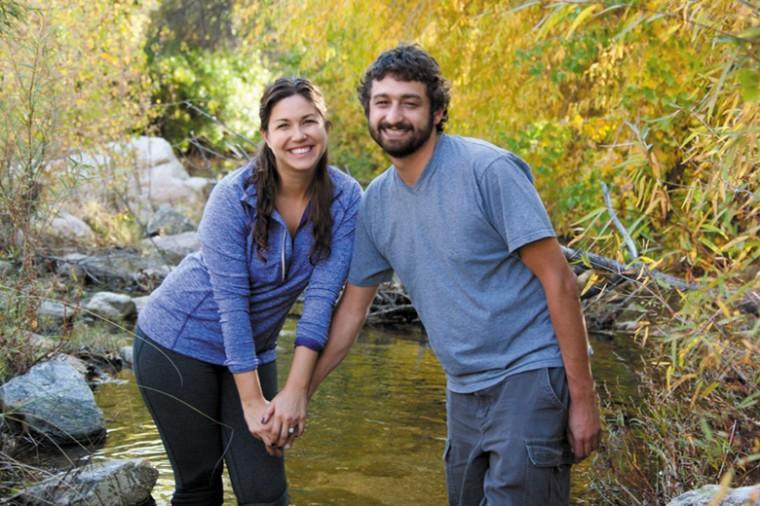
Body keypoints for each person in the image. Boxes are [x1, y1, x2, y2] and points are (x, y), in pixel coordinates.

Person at [307, 44, 602, 505]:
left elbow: (559, 281)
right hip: (463, 389)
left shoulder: (488, 170)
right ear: (368, 111)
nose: (394, 115)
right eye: (382, 102)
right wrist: (301, 392)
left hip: (529, 374)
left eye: (410, 102)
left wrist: (583, 398)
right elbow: (351, 315)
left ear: (438, 112)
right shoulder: (377, 205)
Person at [133, 77, 361, 506]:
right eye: (284, 125)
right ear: (267, 136)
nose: (299, 136)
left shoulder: (347, 200)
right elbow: (231, 305)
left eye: (309, 122)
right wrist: (253, 400)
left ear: (325, 126)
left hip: (256, 350)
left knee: (265, 493)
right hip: (176, 345)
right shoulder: (232, 196)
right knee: (200, 486)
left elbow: (321, 301)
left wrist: (296, 393)